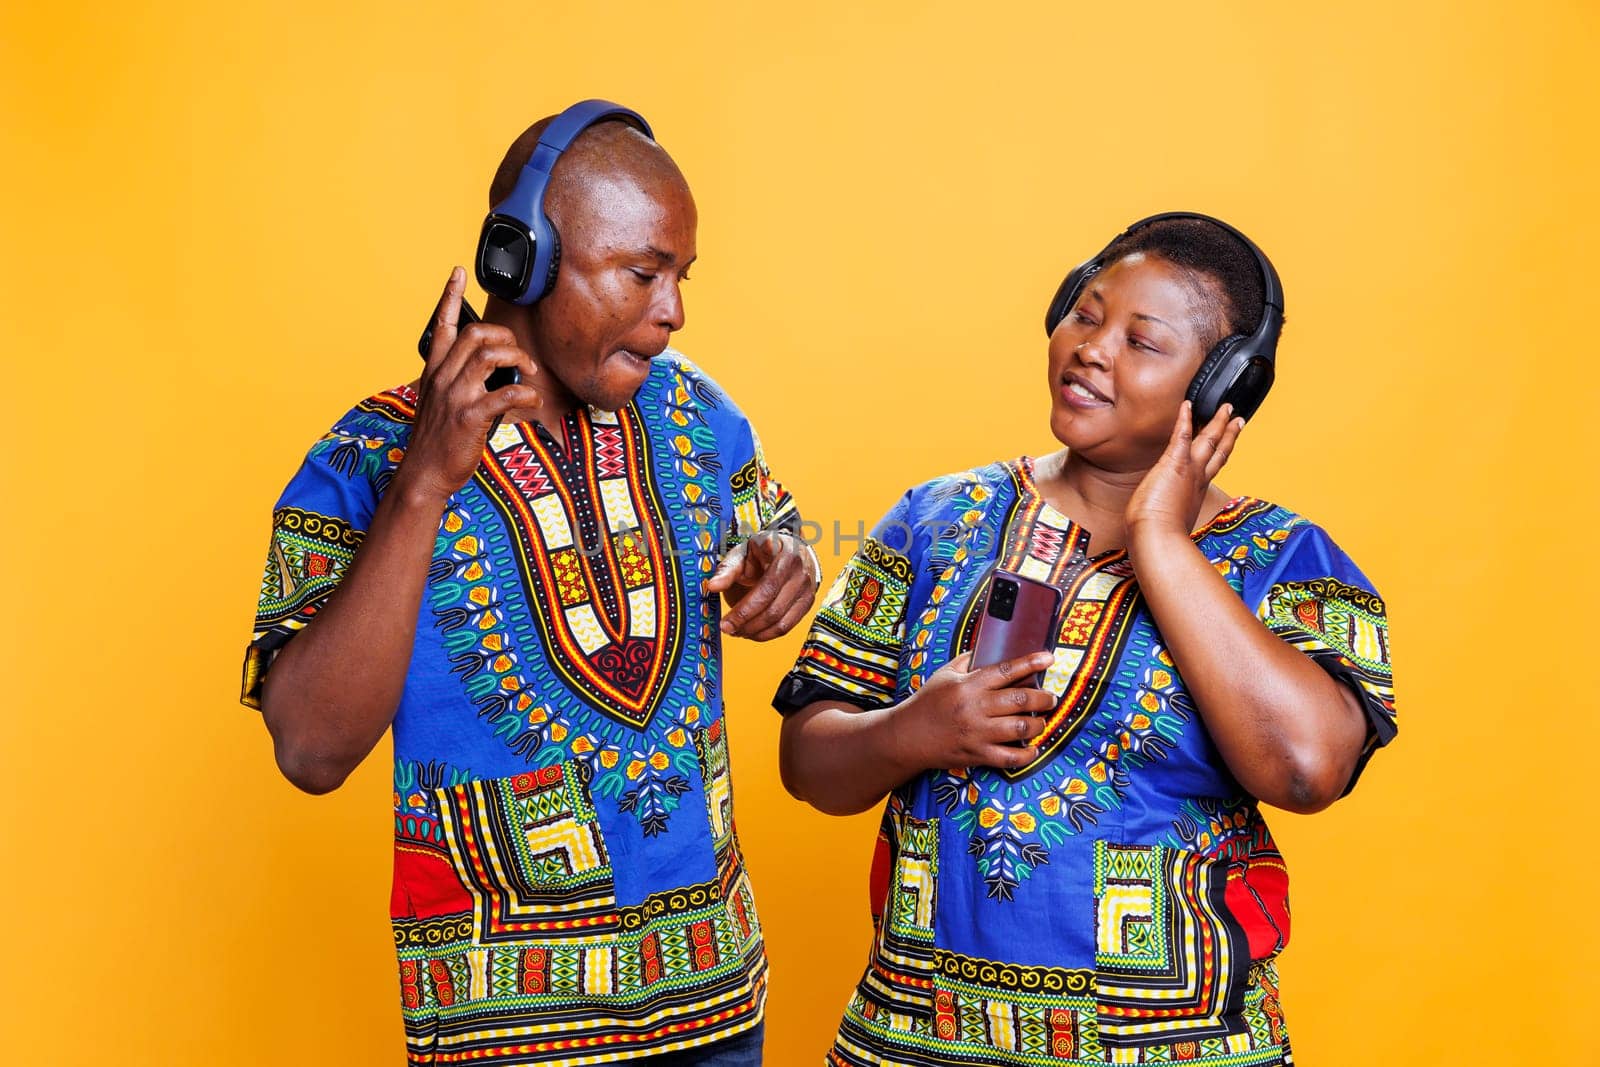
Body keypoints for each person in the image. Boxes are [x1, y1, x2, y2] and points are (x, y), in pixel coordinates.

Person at [241, 102, 818, 1066]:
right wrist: (425, 481)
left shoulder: (706, 417)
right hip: (505, 1028)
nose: (673, 311)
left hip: (716, 1006)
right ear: (526, 259)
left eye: (681, 277)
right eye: (643, 273)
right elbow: (309, 747)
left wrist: (786, 567)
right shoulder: (367, 456)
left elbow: (782, 540)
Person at [774, 214, 1396, 1067]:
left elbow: (1306, 768)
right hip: (911, 1041)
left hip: (1172, 1049)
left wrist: (1164, 543)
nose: (1092, 349)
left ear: (1217, 389)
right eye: (1087, 313)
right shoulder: (932, 518)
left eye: (1142, 341)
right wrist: (913, 730)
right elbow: (807, 763)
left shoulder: (1284, 560)